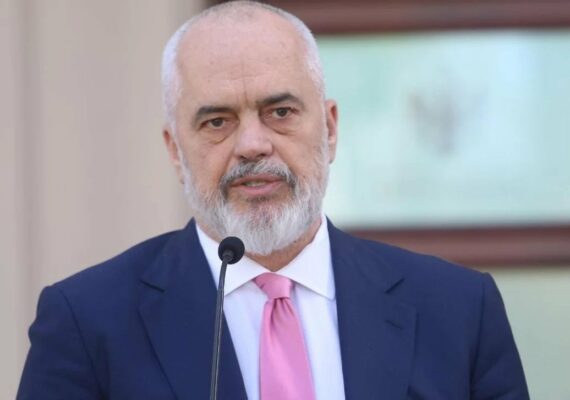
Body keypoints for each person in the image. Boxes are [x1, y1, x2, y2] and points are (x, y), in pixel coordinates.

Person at [17, 1, 529, 399]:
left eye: (280, 112)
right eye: (217, 121)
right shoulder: (87, 322)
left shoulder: (459, 310)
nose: (252, 145)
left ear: (330, 128)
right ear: (175, 150)